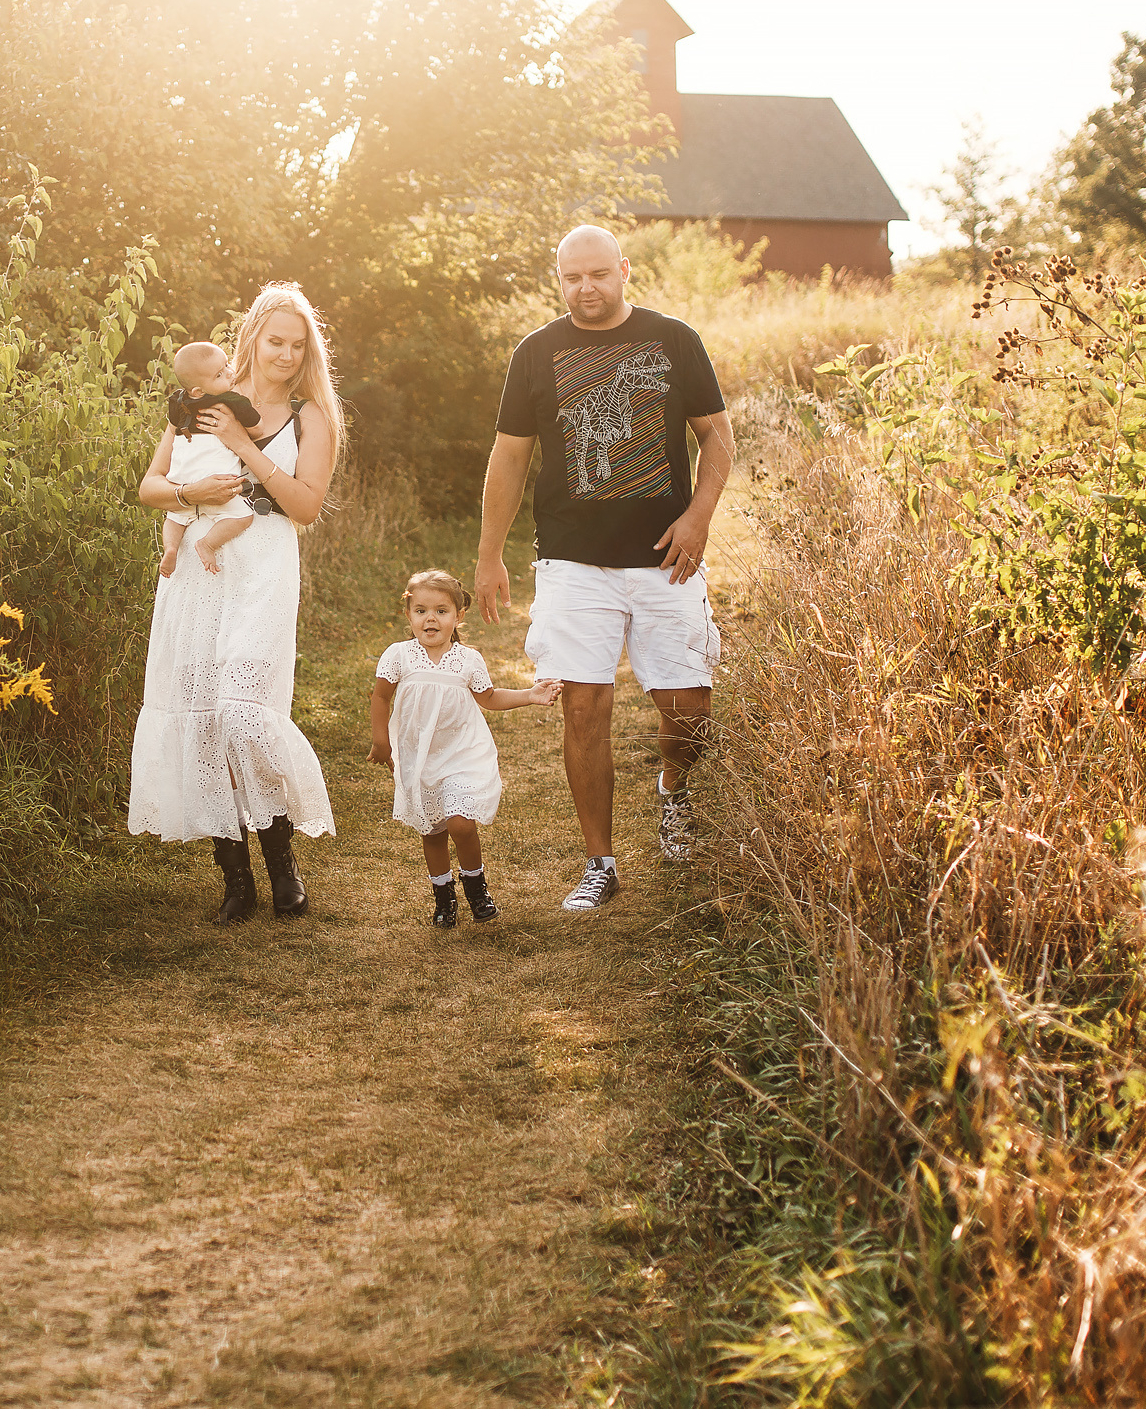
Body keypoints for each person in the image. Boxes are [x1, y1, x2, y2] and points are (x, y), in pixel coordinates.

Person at [475, 224, 734, 912]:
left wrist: (699, 517)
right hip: (573, 561)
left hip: (665, 558)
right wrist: (489, 553)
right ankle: (601, 862)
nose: (585, 288)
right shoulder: (536, 352)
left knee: (689, 711)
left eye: (597, 274)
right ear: (558, 278)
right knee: (584, 708)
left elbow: (717, 437)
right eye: (572, 277)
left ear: (623, 269)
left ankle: (673, 794)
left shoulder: (673, 339)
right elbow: (509, 456)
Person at [129, 285, 342, 922]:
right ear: (252, 337)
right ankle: (236, 879)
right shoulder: (199, 402)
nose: (285, 354)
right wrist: (189, 494)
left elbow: (306, 507)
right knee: (204, 718)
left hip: (265, 564)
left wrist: (246, 449)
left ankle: (283, 865)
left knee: (244, 711)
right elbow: (150, 485)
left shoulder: (310, 417)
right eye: (275, 341)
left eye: (297, 345)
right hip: (200, 565)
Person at [367, 569, 561, 928]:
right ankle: (444, 897)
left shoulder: (468, 660)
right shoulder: (399, 655)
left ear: (458, 616)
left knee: (460, 823)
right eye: (421, 610)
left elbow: (489, 697)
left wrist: (530, 695)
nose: (430, 619)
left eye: (441, 611)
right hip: (419, 757)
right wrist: (382, 742)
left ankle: (476, 887)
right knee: (432, 831)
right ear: (408, 614)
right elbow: (380, 697)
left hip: (461, 753)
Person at [158, 340, 261, 577]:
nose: (230, 372)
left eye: (226, 365)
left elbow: (174, 426)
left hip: (183, 480)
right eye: (219, 374)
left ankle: (171, 548)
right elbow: (258, 429)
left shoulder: (177, 401)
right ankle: (207, 544)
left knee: (175, 517)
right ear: (198, 391)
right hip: (217, 481)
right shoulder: (232, 400)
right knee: (243, 517)